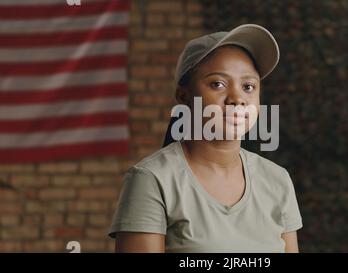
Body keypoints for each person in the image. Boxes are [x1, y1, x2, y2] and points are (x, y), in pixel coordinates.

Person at [108, 24, 303, 253]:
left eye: (248, 86)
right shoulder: (152, 179)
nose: (237, 98)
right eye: (217, 84)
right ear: (184, 96)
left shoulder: (277, 180)